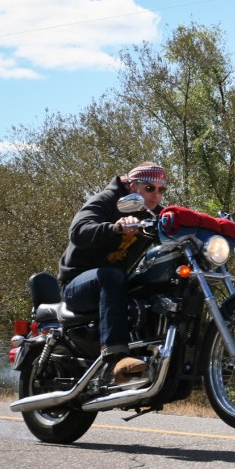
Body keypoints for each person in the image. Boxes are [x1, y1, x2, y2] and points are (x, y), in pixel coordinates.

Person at [58, 162, 168, 384]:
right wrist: (114, 228)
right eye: (149, 188)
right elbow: (78, 232)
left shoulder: (153, 214)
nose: (156, 195)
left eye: (161, 189)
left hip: (115, 283)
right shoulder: (106, 200)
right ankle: (115, 357)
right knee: (112, 275)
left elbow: (177, 223)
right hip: (77, 283)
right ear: (131, 187)